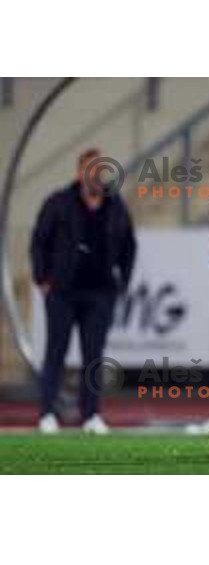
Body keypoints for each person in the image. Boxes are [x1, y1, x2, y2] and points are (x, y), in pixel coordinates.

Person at [30, 148, 137, 434]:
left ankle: (90, 415)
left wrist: (123, 281)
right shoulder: (59, 202)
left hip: (100, 292)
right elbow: (39, 240)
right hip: (63, 291)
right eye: (89, 169)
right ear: (79, 173)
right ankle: (47, 414)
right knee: (56, 352)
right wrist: (42, 277)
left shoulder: (115, 205)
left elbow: (128, 245)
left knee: (93, 356)